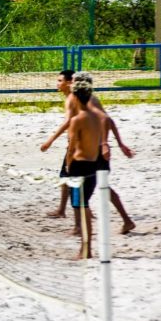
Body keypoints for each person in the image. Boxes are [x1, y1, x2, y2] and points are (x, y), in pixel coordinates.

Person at [40, 70, 136, 234]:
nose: (58, 83)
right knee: (83, 182)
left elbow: (102, 119)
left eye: (60, 80)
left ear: (72, 83)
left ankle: (79, 224)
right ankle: (69, 212)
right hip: (89, 148)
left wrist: (50, 140)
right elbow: (104, 120)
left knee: (75, 182)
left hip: (87, 151)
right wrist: (118, 144)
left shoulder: (79, 100)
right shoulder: (81, 99)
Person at [66, 79, 104, 259]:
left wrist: (68, 165)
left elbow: (71, 148)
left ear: (75, 97)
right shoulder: (97, 117)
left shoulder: (77, 120)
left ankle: (86, 249)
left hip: (79, 167)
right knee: (85, 206)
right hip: (93, 165)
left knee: (82, 208)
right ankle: (86, 248)